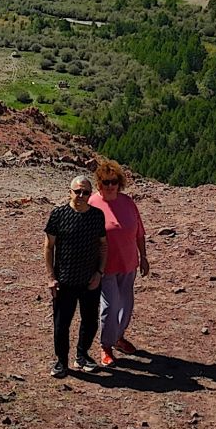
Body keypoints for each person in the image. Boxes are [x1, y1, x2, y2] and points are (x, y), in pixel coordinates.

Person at [44, 174, 106, 377]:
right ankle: (61, 361)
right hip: (64, 281)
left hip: (90, 280)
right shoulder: (58, 214)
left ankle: (82, 355)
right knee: (62, 324)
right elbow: (48, 247)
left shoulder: (97, 216)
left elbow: (103, 245)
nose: (81, 195)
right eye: (77, 191)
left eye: (86, 192)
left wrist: (99, 272)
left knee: (90, 321)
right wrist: (51, 277)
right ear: (69, 192)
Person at [88, 158, 148, 366]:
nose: (111, 186)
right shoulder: (92, 204)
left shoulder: (128, 202)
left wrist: (144, 257)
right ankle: (105, 345)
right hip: (104, 266)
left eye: (114, 181)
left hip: (128, 263)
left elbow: (139, 233)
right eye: (106, 182)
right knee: (110, 306)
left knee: (126, 306)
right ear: (99, 183)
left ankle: (118, 338)